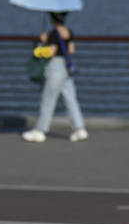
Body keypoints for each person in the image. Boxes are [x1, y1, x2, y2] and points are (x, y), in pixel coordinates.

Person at [22, 11, 88, 143]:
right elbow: (71, 50)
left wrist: (40, 47)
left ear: (52, 19)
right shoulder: (68, 32)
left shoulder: (53, 34)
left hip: (55, 68)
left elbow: (50, 52)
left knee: (48, 100)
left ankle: (40, 130)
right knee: (71, 99)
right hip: (66, 68)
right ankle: (79, 129)